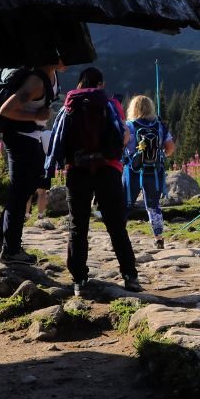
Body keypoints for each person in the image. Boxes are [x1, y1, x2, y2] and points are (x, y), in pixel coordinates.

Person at [47, 66, 141, 295]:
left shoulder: (68, 107)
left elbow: (57, 139)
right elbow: (122, 135)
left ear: (80, 83)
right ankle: (130, 276)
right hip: (107, 169)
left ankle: (79, 279)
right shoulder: (108, 104)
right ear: (99, 84)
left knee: (78, 225)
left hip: (77, 171)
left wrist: (51, 169)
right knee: (116, 225)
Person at [0, 61, 64, 263]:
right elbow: (6, 109)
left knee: (26, 189)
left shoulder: (52, 76)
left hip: (32, 138)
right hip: (20, 138)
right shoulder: (36, 81)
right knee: (19, 194)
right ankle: (11, 250)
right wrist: (36, 116)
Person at [123, 94, 177, 250]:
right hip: (153, 171)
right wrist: (159, 156)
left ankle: (120, 236)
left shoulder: (130, 125)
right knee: (153, 206)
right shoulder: (159, 126)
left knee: (125, 204)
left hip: (132, 171)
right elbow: (170, 148)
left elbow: (121, 145)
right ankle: (158, 238)